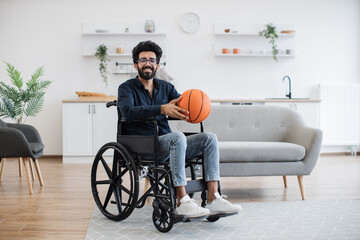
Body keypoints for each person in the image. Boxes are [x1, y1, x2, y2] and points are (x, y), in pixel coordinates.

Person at [117, 40, 241, 218]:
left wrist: (197, 108)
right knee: (178, 137)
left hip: (167, 143)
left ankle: (214, 198)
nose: (148, 63)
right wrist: (161, 108)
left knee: (209, 138)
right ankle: (182, 200)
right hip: (142, 144)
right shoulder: (126, 88)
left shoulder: (166, 87)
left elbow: (183, 107)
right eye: (143, 60)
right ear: (136, 64)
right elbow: (127, 113)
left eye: (152, 60)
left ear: (157, 65)